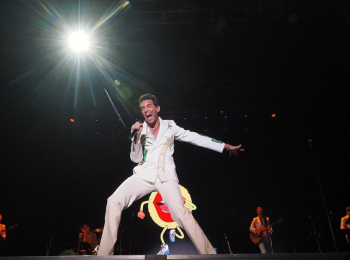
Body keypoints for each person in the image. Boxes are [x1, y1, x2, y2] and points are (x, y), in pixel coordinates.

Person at [97, 93, 244, 255]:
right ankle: (104, 255)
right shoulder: (140, 129)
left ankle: (210, 254)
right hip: (143, 176)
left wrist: (224, 146)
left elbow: (194, 137)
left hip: (165, 178)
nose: (146, 110)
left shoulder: (170, 127)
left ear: (157, 108)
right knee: (113, 201)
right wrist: (136, 138)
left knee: (181, 213)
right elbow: (135, 158)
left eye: (149, 106)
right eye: (143, 108)